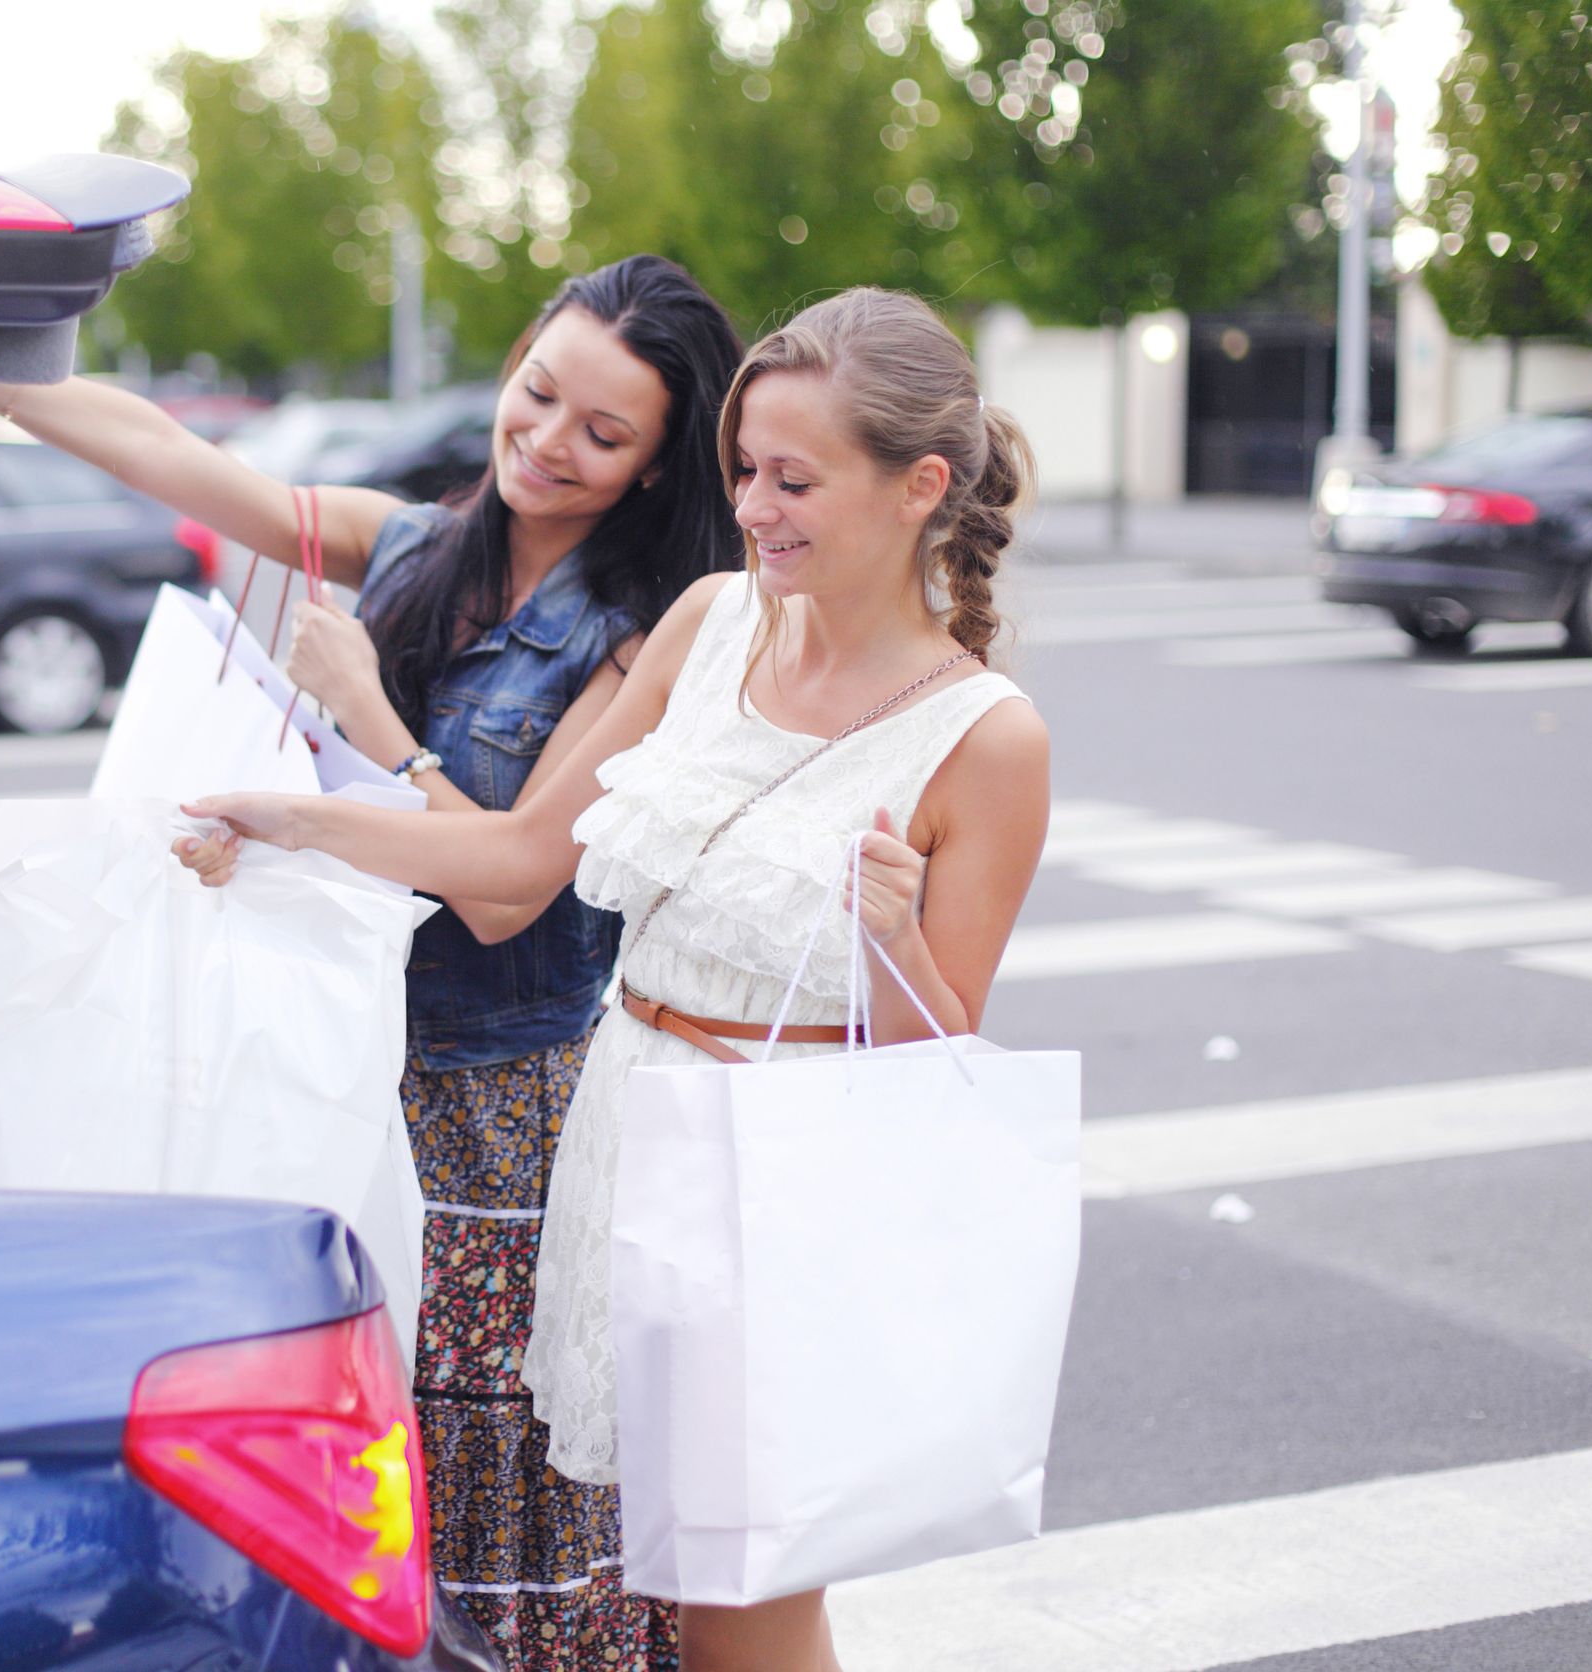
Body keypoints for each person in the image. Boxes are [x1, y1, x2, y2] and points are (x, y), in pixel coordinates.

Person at [175, 286, 1051, 1672]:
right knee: (686, 1588)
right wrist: (281, 816)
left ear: (919, 487)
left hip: (781, 1184)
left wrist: (887, 936)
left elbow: (938, 1069)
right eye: (747, 471)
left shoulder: (984, 739)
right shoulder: (708, 623)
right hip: (623, 1143)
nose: (756, 508)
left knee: (744, 1597)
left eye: (796, 480)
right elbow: (519, 846)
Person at [0, 255, 745, 1671]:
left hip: (503, 1129)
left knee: (488, 1506)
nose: (547, 442)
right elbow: (176, 455)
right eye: (539, 390)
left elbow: (509, 886)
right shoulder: (412, 550)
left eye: (600, 435)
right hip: (349, 1068)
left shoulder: (638, 641)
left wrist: (371, 734)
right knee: (349, 1453)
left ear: (651, 470)